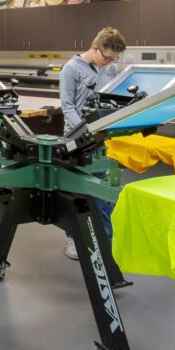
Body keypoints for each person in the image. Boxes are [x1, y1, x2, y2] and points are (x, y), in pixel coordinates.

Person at [59, 26, 127, 260]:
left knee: (102, 192)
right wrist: (84, 131)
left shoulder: (111, 68)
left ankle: (106, 239)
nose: (109, 63)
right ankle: (72, 239)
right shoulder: (71, 69)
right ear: (95, 48)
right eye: (107, 57)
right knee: (76, 190)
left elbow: (112, 99)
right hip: (76, 138)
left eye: (114, 59)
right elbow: (67, 107)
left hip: (100, 138)